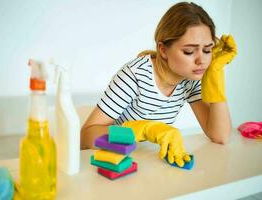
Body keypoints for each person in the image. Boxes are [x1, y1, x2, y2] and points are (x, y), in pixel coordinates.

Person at [80, 2, 237, 165]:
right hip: (114, 163)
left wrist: (215, 74)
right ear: (163, 50)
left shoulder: (190, 78)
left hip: (148, 162)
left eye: (207, 50)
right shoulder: (135, 76)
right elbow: (85, 137)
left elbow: (220, 136)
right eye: (189, 51)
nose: (201, 60)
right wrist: (144, 129)